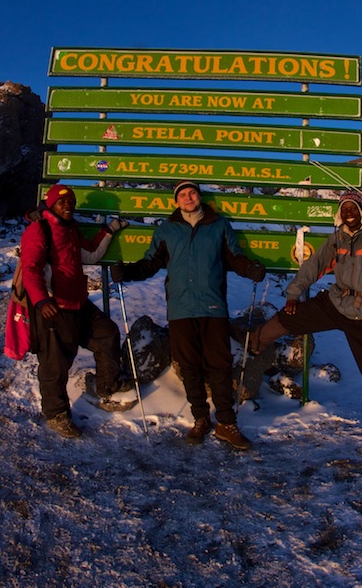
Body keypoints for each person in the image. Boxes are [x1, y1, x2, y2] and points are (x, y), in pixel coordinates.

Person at [112, 180, 266, 449]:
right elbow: (151, 263)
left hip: (213, 306)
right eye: (182, 194)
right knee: (190, 365)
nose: (188, 197)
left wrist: (250, 269)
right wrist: (128, 273)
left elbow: (234, 257)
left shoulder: (219, 226)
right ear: (176, 201)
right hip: (180, 309)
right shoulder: (167, 230)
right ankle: (200, 418)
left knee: (219, 363)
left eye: (192, 192)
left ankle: (226, 423)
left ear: (199, 196)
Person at [250, 189, 362, 447]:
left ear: (361, 211)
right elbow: (315, 265)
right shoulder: (338, 238)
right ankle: (254, 343)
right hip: (335, 301)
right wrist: (294, 293)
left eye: (353, 208)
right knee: (291, 316)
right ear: (340, 213)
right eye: (345, 209)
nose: (349, 213)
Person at [21, 183, 131, 438]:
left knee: (107, 334)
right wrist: (41, 301)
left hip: (78, 303)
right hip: (53, 307)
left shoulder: (70, 229)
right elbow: (31, 269)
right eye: (62, 202)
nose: (68, 206)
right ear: (50, 204)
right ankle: (56, 415)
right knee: (55, 365)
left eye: (70, 202)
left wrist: (109, 230)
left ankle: (106, 385)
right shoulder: (39, 231)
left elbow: (90, 255)